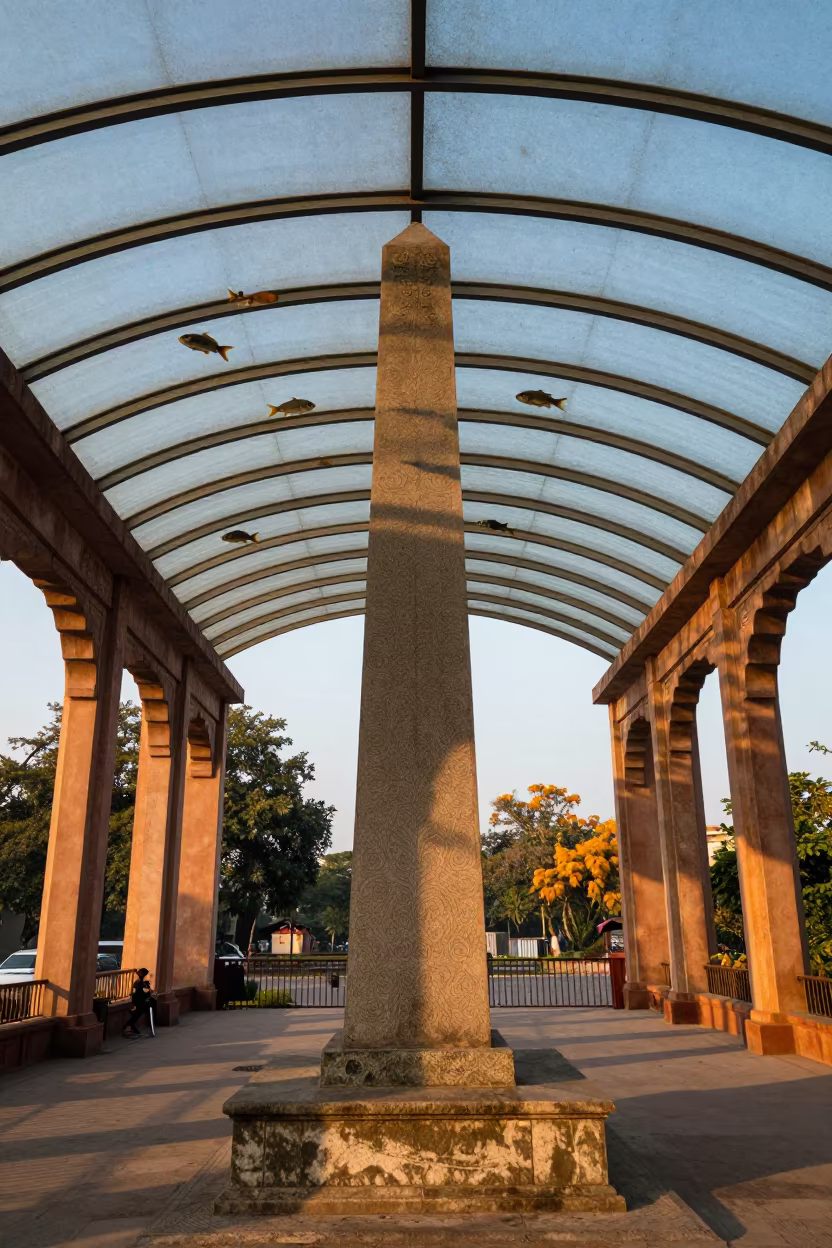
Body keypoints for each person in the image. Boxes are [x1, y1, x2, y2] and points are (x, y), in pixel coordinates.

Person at [122, 967, 156, 1039]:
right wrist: (147, 994)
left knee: (136, 1016)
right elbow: (139, 994)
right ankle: (127, 1027)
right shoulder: (139, 982)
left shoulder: (139, 982)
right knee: (136, 1016)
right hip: (138, 1002)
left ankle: (130, 1027)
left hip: (137, 1001)